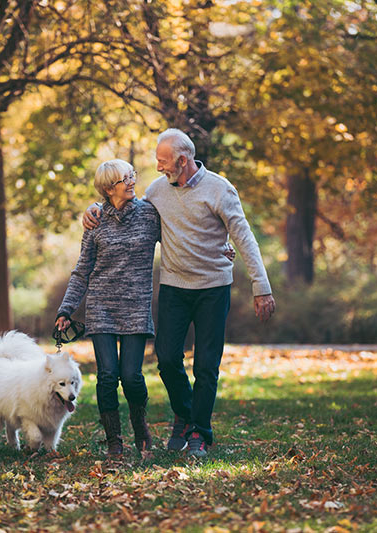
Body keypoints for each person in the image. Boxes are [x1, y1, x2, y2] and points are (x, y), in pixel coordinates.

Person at [83, 128, 276, 458]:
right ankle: (185, 415)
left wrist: (262, 288)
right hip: (174, 287)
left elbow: (244, 238)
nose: (157, 168)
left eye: (163, 161)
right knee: (168, 358)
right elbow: (128, 216)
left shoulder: (220, 190)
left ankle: (200, 431)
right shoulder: (157, 192)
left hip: (213, 288)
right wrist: (93, 209)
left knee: (205, 365)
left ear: (182, 161)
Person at [56, 159, 161, 457]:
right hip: (101, 306)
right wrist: (66, 310)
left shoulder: (150, 215)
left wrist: (219, 249)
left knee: (131, 376)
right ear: (107, 188)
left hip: (136, 307)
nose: (131, 182)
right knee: (106, 376)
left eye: (131, 176)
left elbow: (180, 240)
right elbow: (82, 269)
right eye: (122, 179)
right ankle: (114, 439)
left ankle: (140, 426)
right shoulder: (96, 220)